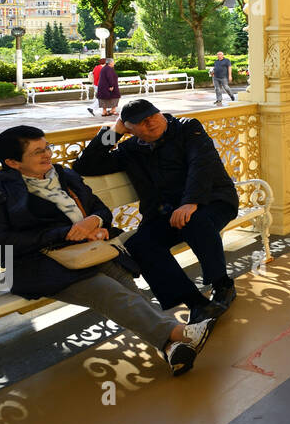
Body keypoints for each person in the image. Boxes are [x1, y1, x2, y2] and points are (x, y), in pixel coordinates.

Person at [0, 125, 214, 375]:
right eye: (37, 152)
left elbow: (100, 210)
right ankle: (181, 332)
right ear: (12, 162)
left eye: (47, 147)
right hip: (38, 265)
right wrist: (64, 234)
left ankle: (171, 348)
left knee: (128, 289)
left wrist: (94, 222)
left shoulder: (63, 175)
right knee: (107, 291)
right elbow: (0, 241)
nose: (47, 155)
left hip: (88, 251)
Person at [73, 99, 239, 325]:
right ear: (129, 129)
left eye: (153, 116)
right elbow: (85, 165)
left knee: (193, 219)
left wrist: (191, 201)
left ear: (161, 113)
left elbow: (201, 164)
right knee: (139, 243)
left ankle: (222, 285)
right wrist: (114, 131)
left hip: (212, 201)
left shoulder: (188, 128)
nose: (150, 123)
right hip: (166, 213)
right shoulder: (130, 149)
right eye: (141, 122)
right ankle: (196, 303)